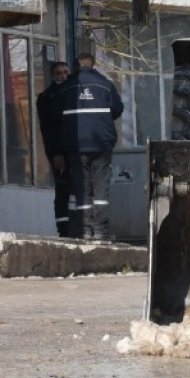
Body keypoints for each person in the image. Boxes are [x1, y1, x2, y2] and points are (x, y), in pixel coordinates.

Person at [59, 52, 123, 241]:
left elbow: (58, 115)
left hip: (76, 145)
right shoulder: (105, 84)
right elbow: (118, 109)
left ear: (76, 66)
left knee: (82, 187)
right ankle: (101, 232)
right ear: (93, 66)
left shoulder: (67, 87)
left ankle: (85, 230)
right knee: (101, 188)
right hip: (101, 143)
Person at [36, 61, 71, 236]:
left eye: (66, 72)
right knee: (63, 190)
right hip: (60, 151)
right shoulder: (47, 98)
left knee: (81, 190)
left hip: (77, 149)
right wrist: (55, 153)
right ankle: (63, 230)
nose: (63, 76)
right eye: (59, 73)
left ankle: (81, 227)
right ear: (53, 75)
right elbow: (48, 130)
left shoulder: (75, 93)